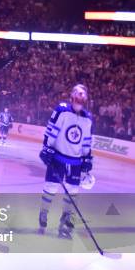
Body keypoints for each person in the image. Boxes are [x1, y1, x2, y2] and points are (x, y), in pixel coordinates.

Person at [38, 84, 93, 234]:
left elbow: (86, 140)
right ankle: (43, 212)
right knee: (51, 187)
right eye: (78, 93)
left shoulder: (87, 119)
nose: (80, 97)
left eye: (83, 95)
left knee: (73, 190)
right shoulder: (62, 110)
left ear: (86, 99)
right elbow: (51, 130)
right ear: (72, 95)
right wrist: (46, 147)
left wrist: (87, 158)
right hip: (58, 157)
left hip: (75, 160)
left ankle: (67, 216)